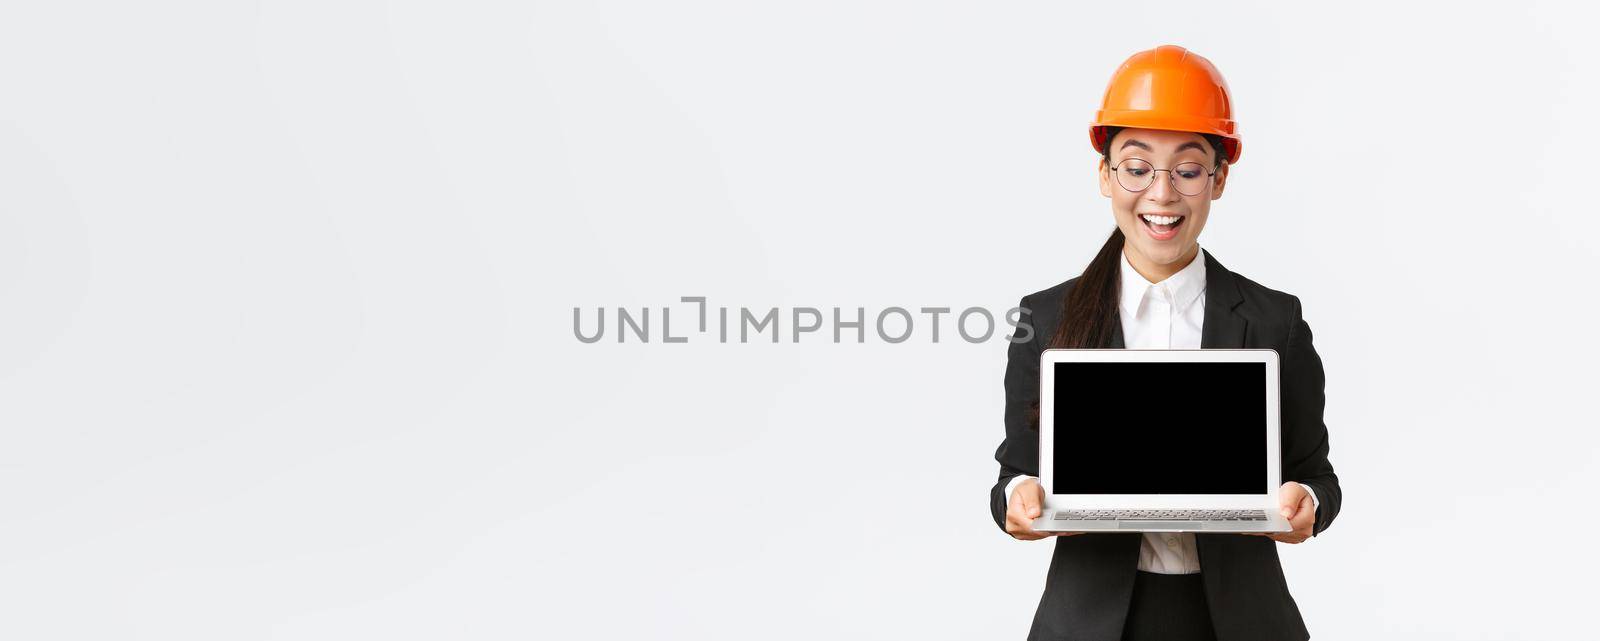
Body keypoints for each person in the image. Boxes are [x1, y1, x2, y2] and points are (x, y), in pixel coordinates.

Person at [987, 45, 1342, 641]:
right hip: (1092, 620)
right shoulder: (1046, 319)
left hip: (1239, 621)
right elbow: (1014, 474)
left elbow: (1317, 477)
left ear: (1218, 179)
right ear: (1105, 175)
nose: (1161, 192)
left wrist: (1305, 503)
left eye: (1187, 168)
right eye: (1136, 165)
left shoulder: (1274, 321)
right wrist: (1020, 501)